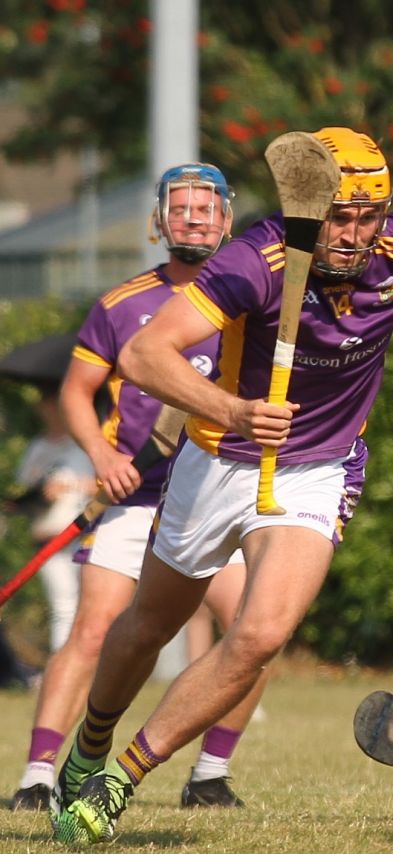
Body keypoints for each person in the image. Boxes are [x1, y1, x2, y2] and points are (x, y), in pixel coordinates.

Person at [50, 127, 393, 844]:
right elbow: (143, 354)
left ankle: (120, 780)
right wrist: (234, 410)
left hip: (319, 469)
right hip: (218, 457)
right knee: (147, 627)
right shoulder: (253, 262)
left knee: (259, 634)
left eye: (367, 219)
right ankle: (90, 744)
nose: (352, 237)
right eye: (338, 220)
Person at [11, 164, 265, 814]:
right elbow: (75, 392)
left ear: (228, 219)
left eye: (207, 208)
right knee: (94, 629)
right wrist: (100, 451)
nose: (194, 218)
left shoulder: (253, 297)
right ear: (159, 223)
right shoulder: (122, 304)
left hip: (219, 487)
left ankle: (209, 775)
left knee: (253, 630)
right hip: (137, 496)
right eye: (180, 208)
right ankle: (39, 774)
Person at [13, 383, 96, 655]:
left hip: (86, 535)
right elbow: (19, 499)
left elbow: (111, 483)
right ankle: (64, 663)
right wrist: (43, 492)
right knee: (63, 607)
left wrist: (87, 486)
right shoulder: (37, 448)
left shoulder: (87, 444)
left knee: (92, 604)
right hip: (49, 537)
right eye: (47, 404)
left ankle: (93, 665)